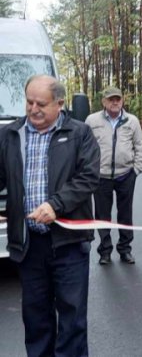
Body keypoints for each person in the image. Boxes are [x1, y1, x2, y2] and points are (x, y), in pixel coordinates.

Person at [0, 74, 100, 357]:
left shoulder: (80, 133)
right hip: (29, 245)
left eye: (41, 103)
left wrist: (56, 205)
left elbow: (88, 178)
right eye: (29, 102)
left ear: (59, 103)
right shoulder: (9, 134)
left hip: (69, 243)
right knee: (36, 320)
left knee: (72, 320)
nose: (33, 109)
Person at [85, 87, 142, 265]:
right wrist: (89, 170)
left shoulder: (131, 121)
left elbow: (140, 146)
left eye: (118, 99)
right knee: (102, 216)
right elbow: (84, 146)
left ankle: (125, 250)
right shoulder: (92, 120)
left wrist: (136, 170)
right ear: (104, 101)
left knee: (125, 215)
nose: (115, 102)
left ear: (122, 101)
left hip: (125, 175)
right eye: (111, 99)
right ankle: (105, 251)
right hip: (101, 176)